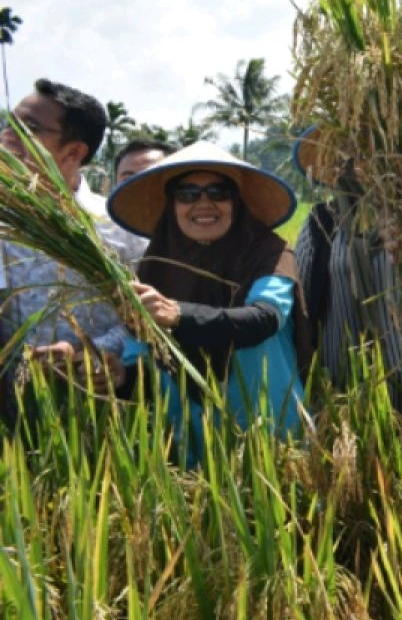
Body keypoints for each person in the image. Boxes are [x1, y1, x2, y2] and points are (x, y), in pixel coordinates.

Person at [106, 141, 309, 463]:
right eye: (187, 194)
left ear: (236, 201)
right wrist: (122, 376)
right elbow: (145, 357)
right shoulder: (155, 266)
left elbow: (263, 319)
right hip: (186, 436)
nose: (203, 203)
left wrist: (179, 314)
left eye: (219, 192)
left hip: (265, 425)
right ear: (171, 204)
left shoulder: (269, 254)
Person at [0, 79, 145, 427]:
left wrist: (93, 351)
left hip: (101, 405)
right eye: (9, 124)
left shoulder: (119, 225)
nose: (8, 137)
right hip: (12, 407)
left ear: (73, 152)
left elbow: (148, 316)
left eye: (28, 129)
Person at [292, 126, 402, 413]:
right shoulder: (322, 222)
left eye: (368, 153)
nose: (356, 165)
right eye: (346, 156)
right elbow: (301, 307)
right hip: (341, 385)